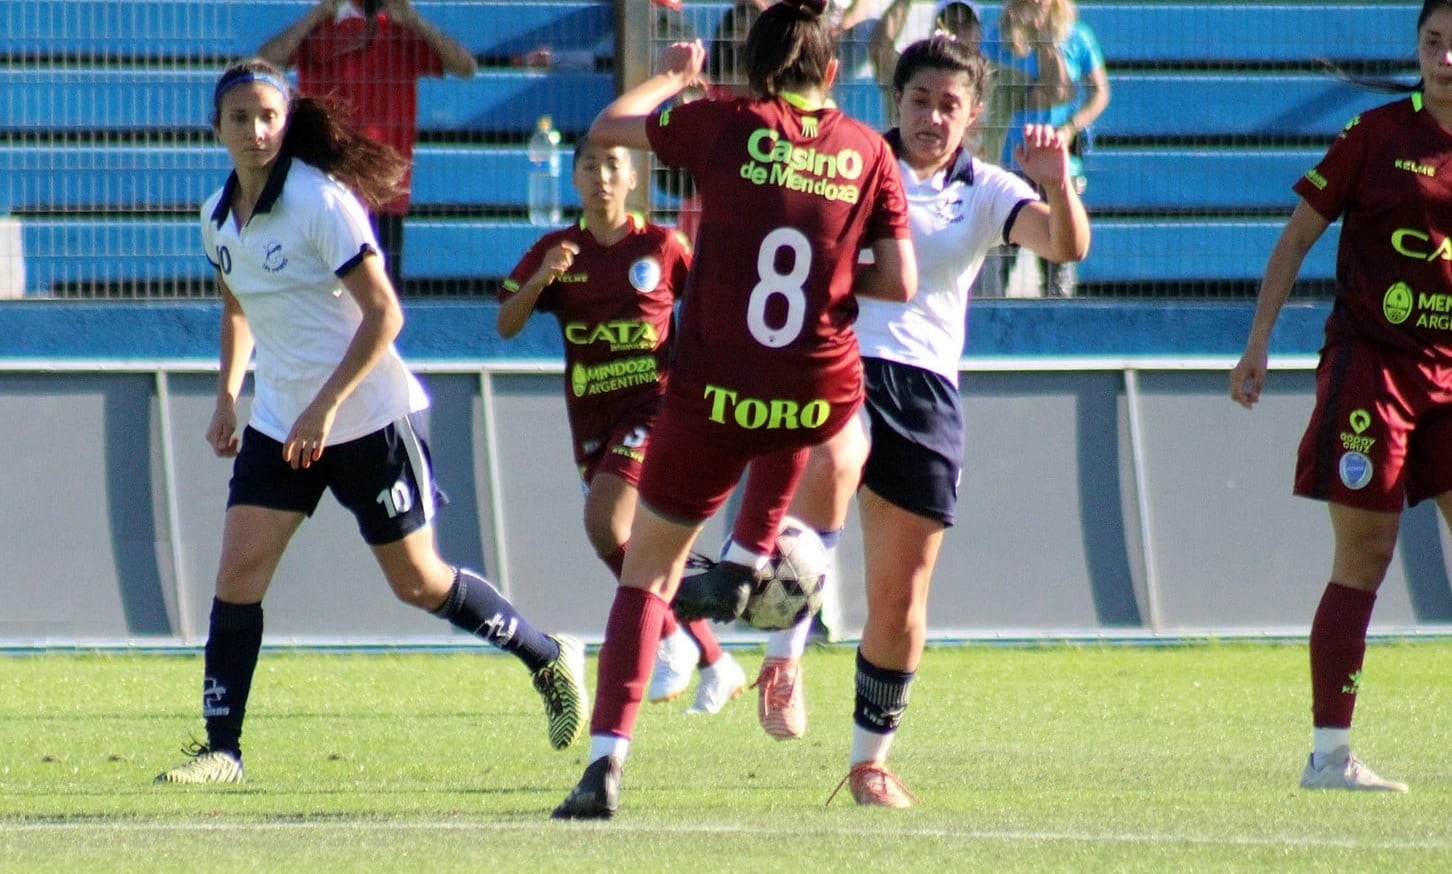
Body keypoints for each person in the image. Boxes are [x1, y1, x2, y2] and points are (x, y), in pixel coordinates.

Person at [154, 59, 587, 785]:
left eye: (269, 116)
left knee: (417, 583)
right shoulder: (215, 218)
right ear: (217, 128)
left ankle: (548, 655)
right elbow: (238, 303)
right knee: (237, 575)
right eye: (241, 118)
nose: (257, 130)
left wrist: (325, 406)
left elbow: (387, 314)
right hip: (280, 421)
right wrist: (229, 393)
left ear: (286, 122)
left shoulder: (322, 202)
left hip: (369, 418)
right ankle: (221, 750)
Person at [551, 0, 916, 819]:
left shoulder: (723, 121)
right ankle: (754, 557)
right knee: (809, 407)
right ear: (830, 73)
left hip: (714, 391)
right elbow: (901, 283)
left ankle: (605, 766)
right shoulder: (868, 151)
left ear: (752, 69)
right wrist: (836, 279)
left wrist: (677, 78)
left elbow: (614, 125)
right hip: (814, 389)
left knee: (646, 571)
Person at [796, 35, 1085, 806]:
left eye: (949, 104)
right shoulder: (852, 160)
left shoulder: (988, 188)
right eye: (919, 99)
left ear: (975, 115)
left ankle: (868, 763)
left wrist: (1057, 184)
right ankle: (780, 662)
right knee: (802, 539)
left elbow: (1063, 244)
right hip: (837, 370)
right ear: (895, 103)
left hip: (924, 394)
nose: (931, 115)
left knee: (901, 600)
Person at [1226, 0, 1452, 797]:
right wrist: (1258, 344)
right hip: (1374, 370)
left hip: (1451, 375)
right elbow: (1296, 237)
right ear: (1417, 49)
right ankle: (1329, 755)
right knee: (1367, 554)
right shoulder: (1377, 135)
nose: (1446, 59)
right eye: (1433, 43)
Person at [497, 138, 747, 715]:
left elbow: (709, 304)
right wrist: (540, 280)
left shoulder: (660, 246)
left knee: (604, 524)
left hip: (656, 408)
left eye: (613, 166)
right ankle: (712, 656)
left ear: (632, 178)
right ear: (575, 179)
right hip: (592, 418)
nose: (602, 176)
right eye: (590, 166)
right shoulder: (556, 248)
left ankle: (669, 640)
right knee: (632, 544)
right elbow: (506, 322)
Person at [258, 0, 478, 293]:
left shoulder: (401, 34)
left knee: (381, 303)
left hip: (382, 195)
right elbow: (261, 66)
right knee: (323, 300)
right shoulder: (319, 31)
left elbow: (466, 67)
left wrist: (414, 20)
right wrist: (316, 15)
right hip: (325, 192)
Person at [988, 0, 1106, 297]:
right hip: (1010, 159)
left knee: (1059, 259)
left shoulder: (1076, 36)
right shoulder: (998, 35)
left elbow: (1097, 92)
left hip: (1059, 164)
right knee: (1001, 254)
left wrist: (1070, 127)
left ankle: (1061, 318)